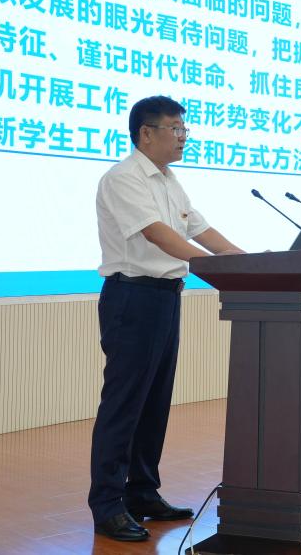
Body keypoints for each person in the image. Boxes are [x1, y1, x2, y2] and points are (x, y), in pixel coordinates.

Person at [90, 96, 245, 542]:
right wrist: (210, 266)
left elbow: (200, 229)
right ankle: (107, 504)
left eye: (184, 129)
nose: (183, 137)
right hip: (132, 298)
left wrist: (248, 260)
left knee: (154, 402)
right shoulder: (123, 178)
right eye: (175, 129)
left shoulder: (169, 181)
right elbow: (156, 234)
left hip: (165, 298)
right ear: (146, 133)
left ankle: (142, 492)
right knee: (124, 404)